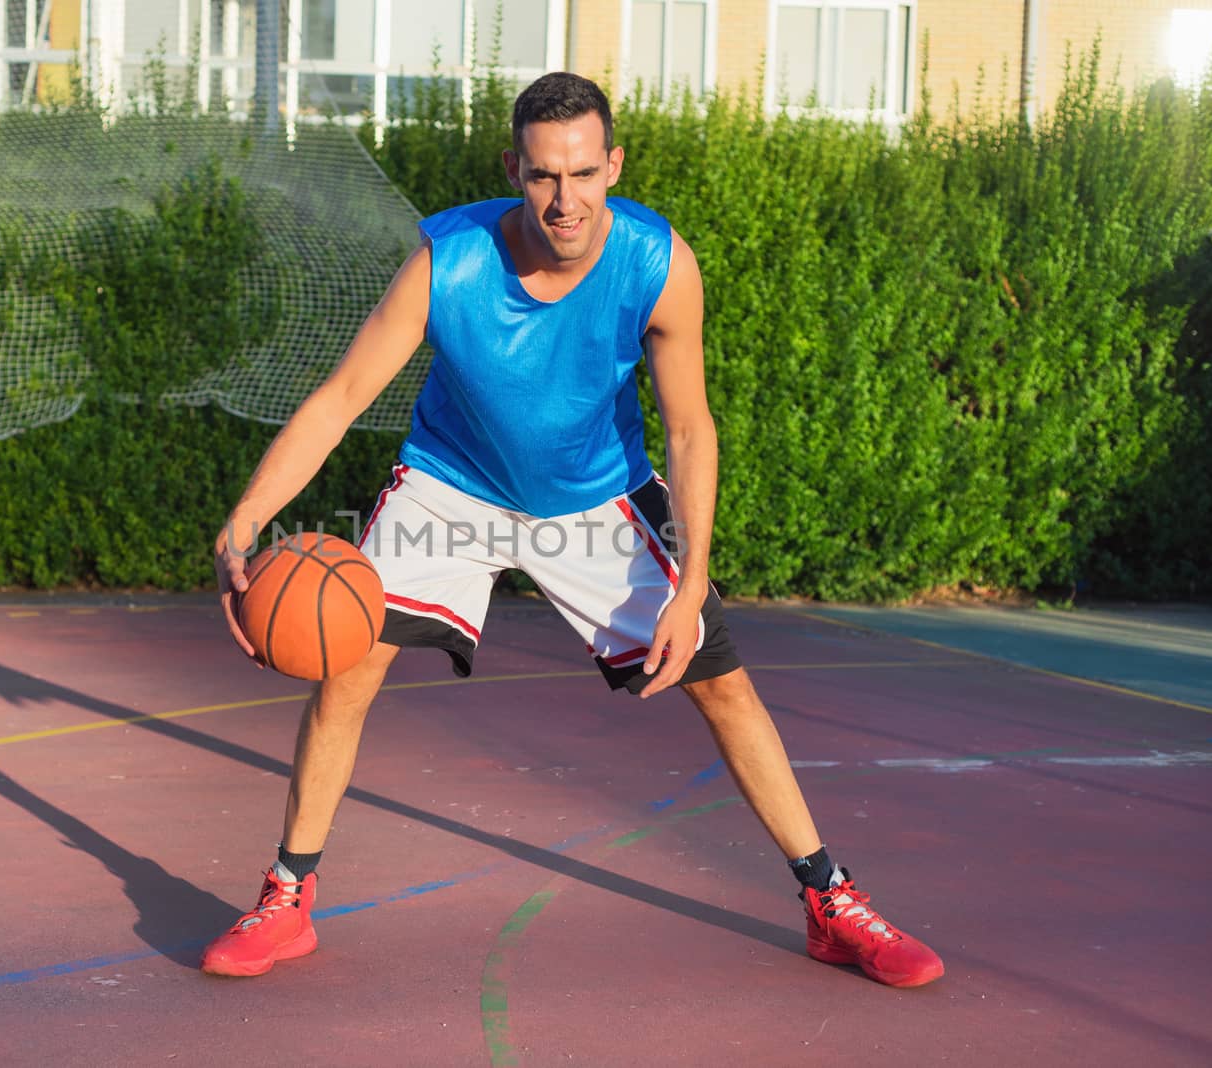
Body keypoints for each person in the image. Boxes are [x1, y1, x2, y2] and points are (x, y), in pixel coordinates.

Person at [202, 72, 943, 989]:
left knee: (722, 685)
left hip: (597, 497)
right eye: (545, 175)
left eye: (585, 173)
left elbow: (689, 427)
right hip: (453, 487)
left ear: (613, 165)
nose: (566, 199)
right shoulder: (450, 260)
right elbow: (342, 397)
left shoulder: (656, 261)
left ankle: (832, 904)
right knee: (348, 672)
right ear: (515, 167)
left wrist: (691, 582)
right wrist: (245, 521)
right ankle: (287, 897)